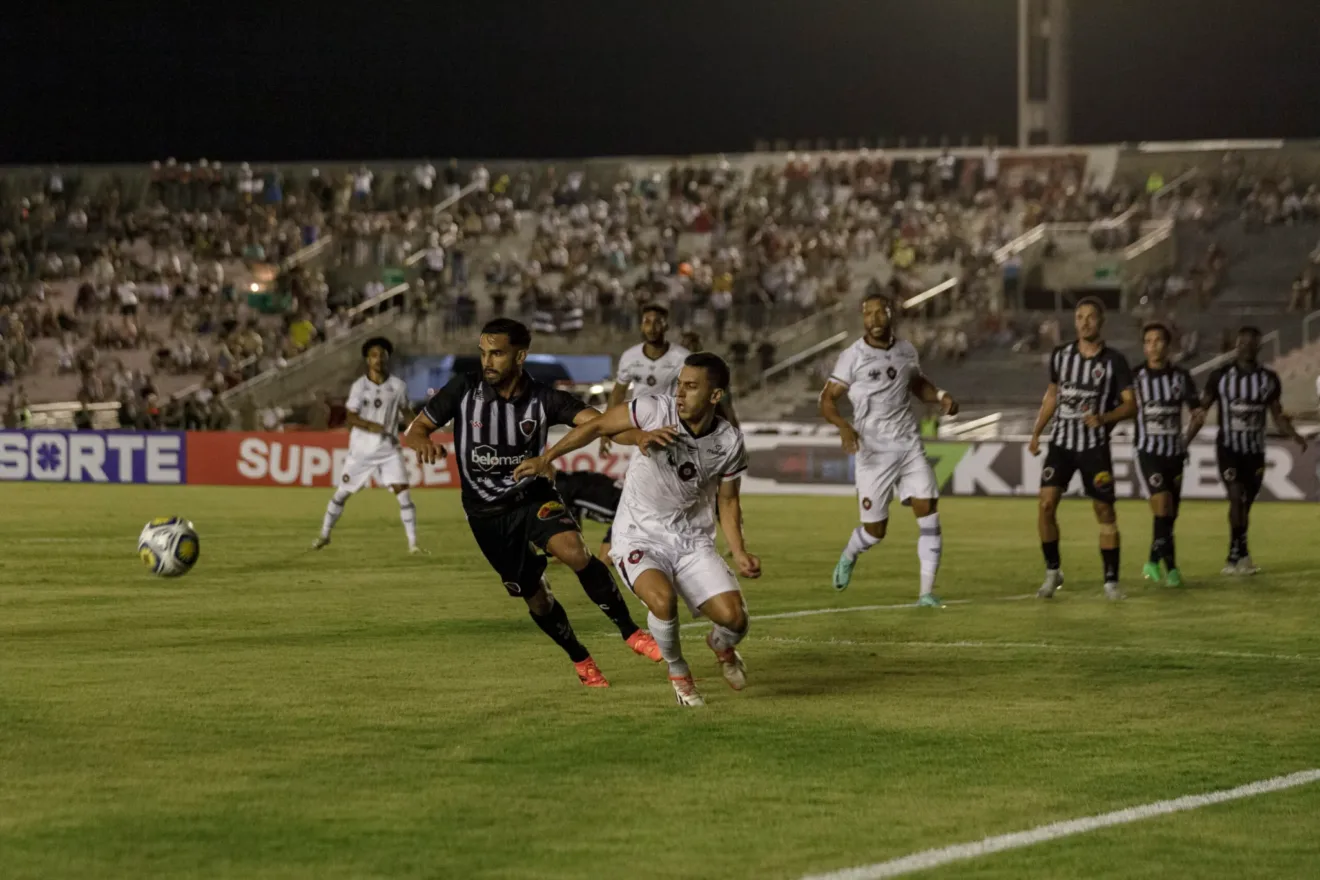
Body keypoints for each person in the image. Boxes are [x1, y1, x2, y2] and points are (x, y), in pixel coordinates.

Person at [403, 318, 663, 688]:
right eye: (483, 353)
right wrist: (423, 442)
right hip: (486, 516)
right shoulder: (463, 389)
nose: (487, 361)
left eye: (497, 353)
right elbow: (415, 431)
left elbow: (599, 423)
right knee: (537, 598)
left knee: (574, 551)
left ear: (520, 356)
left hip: (532, 496)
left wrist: (639, 436)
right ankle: (580, 657)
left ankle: (631, 632)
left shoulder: (544, 398)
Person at [514, 353, 758, 708]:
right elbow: (598, 425)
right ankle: (679, 674)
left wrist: (739, 552)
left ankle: (721, 648)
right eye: (680, 385)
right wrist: (546, 458)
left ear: (715, 395)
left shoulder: (729, 443)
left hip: (691, 541)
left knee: (736, 621)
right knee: (662, 601)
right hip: (639, 534)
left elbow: (729, 502)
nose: (680, 393)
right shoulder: (653, 409)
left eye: (692, 387)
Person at [819, 293, 959, 605]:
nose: (873, 319)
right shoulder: (851, 356)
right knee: (875, 531)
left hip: (908, 445)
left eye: (879, 312)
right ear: (862, 318)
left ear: (890, 313)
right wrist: (844, 427)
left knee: (929, 514)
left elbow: (916, 383)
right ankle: (850, 554)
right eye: (867, 314)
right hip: (873, 451)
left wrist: (940, 396)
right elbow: (827, 399)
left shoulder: (906, 350)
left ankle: (926, 593)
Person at [1029, 298, 1136, 601]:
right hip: (1061, 444)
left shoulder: (1114, 361)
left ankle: (1111, 582)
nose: (1085, 322)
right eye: (1079, 317)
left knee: (1103, 510)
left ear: (1101, 322)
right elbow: (1052, 396)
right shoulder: (1061, 355)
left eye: (1091, 317)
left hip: (1094, 447)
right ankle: (1053, 572)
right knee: (1046, 505)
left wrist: (1104, 418)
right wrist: (1037, 432)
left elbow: (1131, 405)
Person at [1200, 327, 1309, 575]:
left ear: (1259, 347)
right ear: (1236, 345)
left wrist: (1294, 435)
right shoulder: (1219, 376)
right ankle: (1232, 557)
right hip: (1228, 449)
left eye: (1251, 343)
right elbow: (1202, 409)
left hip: (1254, 452)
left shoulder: (1268, 379)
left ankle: (1242, 553)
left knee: (1245, 504)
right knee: (1237, 498)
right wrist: (1186, 439)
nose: (1246, 347)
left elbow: (1277, 415)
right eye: (1242, 342)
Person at [313, 338, 423, 554]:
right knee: (342, 494)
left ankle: (413, 545)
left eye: (382, 354)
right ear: (367, 359)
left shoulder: (398, 387)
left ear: (387, 357)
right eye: (374, 355)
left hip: (389, 449)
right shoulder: (359, 387)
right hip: (361, 451)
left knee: (403, 493)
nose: (378, 359)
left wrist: (419, 430)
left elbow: (407, 412)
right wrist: (370, 425)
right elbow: (350, 418)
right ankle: (325, 535)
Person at [1132, 323, 1205, 587]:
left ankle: (1157, 563)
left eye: (1158, 340)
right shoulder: (1135, 376)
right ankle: (1169, 567)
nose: (1153, 345)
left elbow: (1197, 413)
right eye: (1148, 341)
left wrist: (1187, 438)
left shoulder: (1181, 377)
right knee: (1162, 504)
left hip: (1174, 453)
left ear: (1168, 345)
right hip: (1148, 452)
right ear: (1144, 346)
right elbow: (1122, 406)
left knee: (1169, 515)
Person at [600, 305, 690, 456]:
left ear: (666, 325)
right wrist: (604, 431)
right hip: (640, 429)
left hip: (672, 428)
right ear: (641, 326)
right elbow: (617, 394)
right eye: (647, 322)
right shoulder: (630, 357)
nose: (652, 328)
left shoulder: (682, 357)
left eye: (657, 322)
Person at [554, 469, 623, 565]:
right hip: (626, 499)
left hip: (626, 510)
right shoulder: (570, 481)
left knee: (605, 561)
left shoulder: (560, 488)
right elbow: (571, 525)